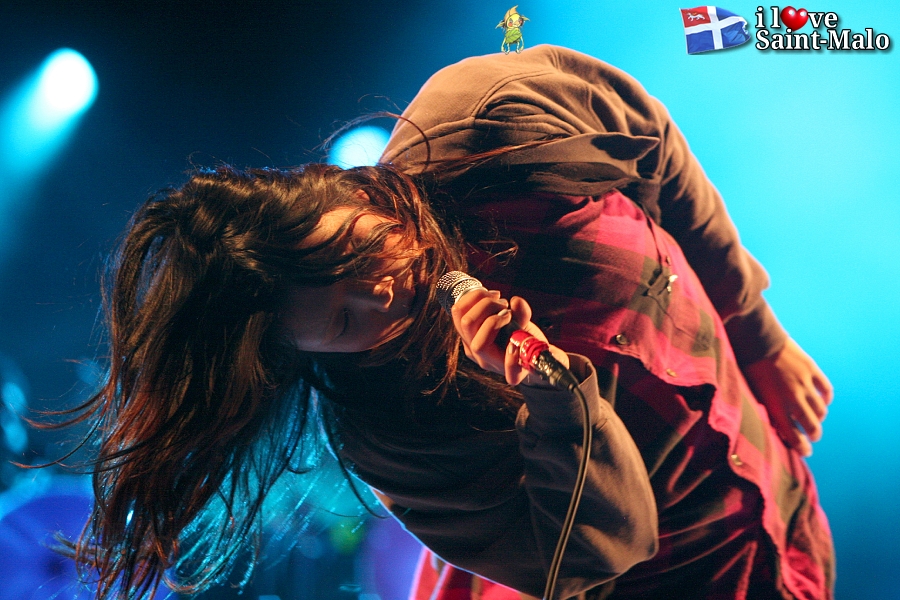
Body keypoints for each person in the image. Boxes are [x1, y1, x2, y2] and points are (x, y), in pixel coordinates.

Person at [65, 45, 833, 600]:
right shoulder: (395, 433)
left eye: (353, 249)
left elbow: (652, 146)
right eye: (344, 321)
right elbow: (596, 554)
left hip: (779, 505)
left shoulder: (486, 119)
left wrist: (757, 333)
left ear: (340, 192)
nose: (385, 292)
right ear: (308, 358)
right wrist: (555, 403)